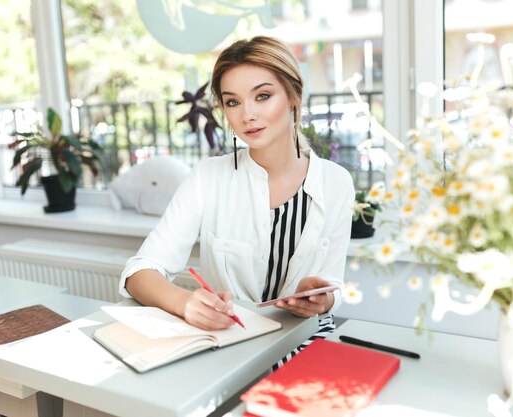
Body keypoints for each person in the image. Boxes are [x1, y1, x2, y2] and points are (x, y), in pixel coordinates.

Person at [119, 36, 355, 363]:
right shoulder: (208, 178)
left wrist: (322, 300)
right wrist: (186, 303)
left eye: (263, 96)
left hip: (308, 342)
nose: (248, 115)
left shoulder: (336, 182)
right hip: (232, 349)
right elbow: (139, 273)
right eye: (233, 102)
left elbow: (335, 285)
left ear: (293, 95)